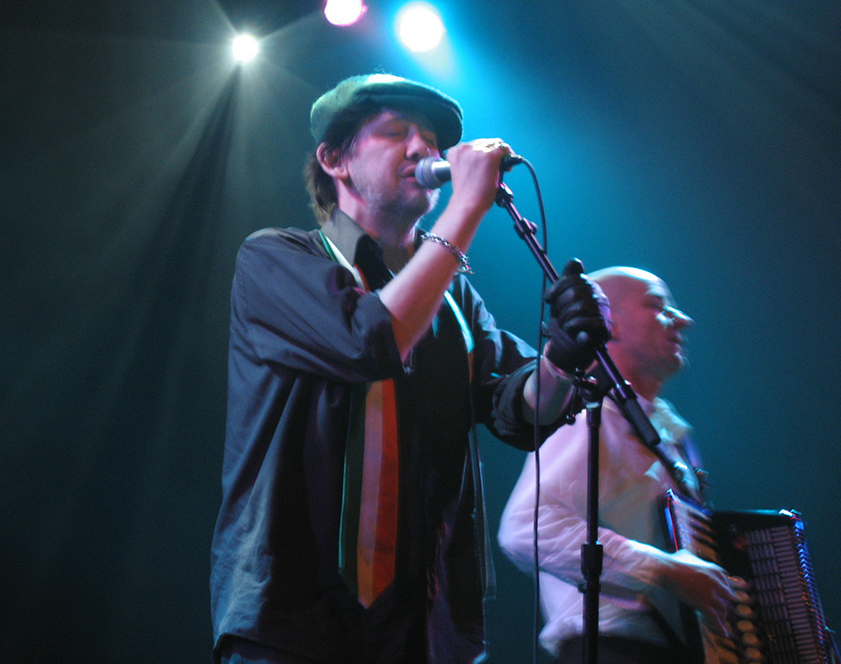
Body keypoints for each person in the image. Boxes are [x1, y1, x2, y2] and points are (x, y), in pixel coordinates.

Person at [210, 73, 611, 664]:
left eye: (431, 137)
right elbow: (369, 341)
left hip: (427, 628)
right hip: (294, 624)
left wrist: (561, 360)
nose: (426, 150)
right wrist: (468, 209)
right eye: (397, 133)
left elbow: (512, 411)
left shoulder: (453, 300)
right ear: (334, 160)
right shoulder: (276, 259)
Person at [498, 267, 739, 664]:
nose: (683, 319)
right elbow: (524, 528)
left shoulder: (663, 430)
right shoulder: (586, 418)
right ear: (610, 325)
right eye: (658, 307)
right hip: (613, 652)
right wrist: (663, 571)